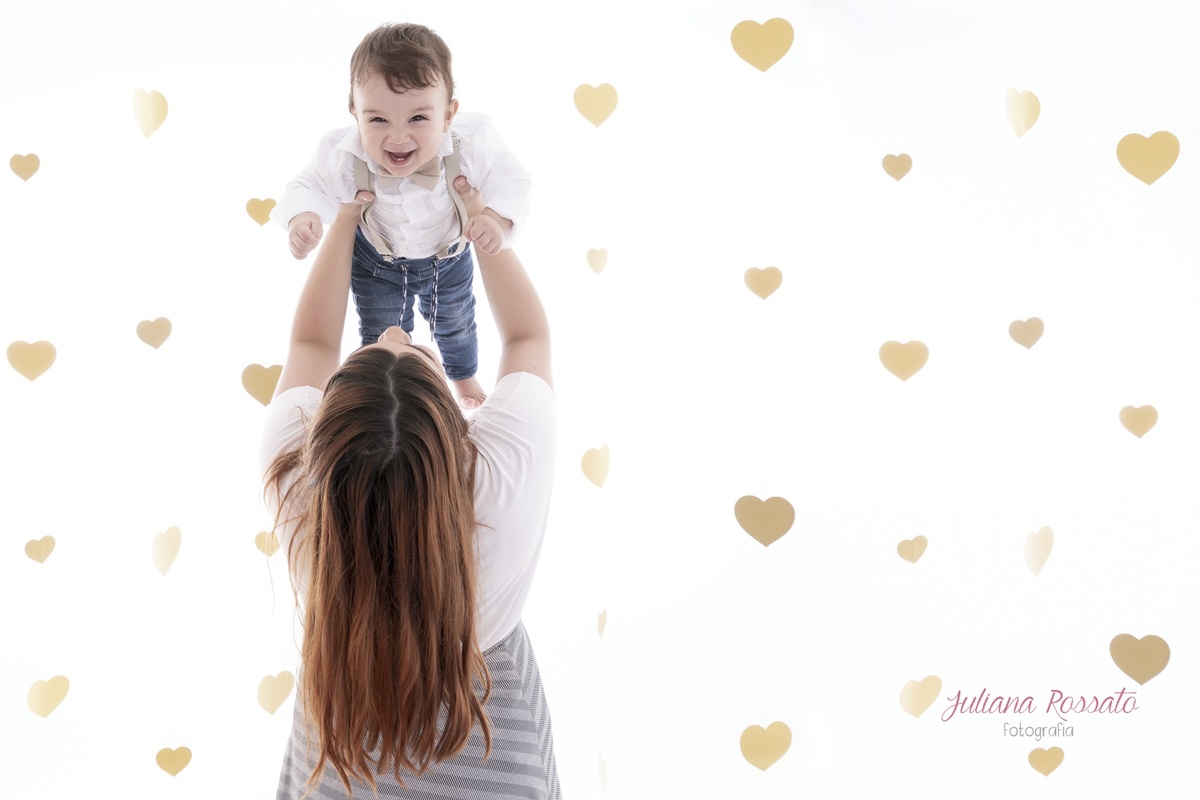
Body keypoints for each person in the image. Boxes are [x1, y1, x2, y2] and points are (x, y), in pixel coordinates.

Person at [260, 175, 558, 799]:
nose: (396, 332)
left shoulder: (295, 482)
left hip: (340, 766)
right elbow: (528, 336)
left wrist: (346, 217)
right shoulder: (501, 483)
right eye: (414, 349)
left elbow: (310, 342)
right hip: (493, 767)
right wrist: (479, 217)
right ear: (456, 436)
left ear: (324, 437)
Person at [274, 22, 531, 410]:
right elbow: (306, 185)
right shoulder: (343, 153)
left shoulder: (471, 142)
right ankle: (383, 397)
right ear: (354, 113)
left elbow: (513, 180)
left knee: (457, 323)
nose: (397, 137)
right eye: (377, 120)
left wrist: (497, 218)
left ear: (448, 115)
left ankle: (461, 375)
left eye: (417, 119)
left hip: (448, 257)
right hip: (377, 260)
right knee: (380, 333)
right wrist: (303, 217)